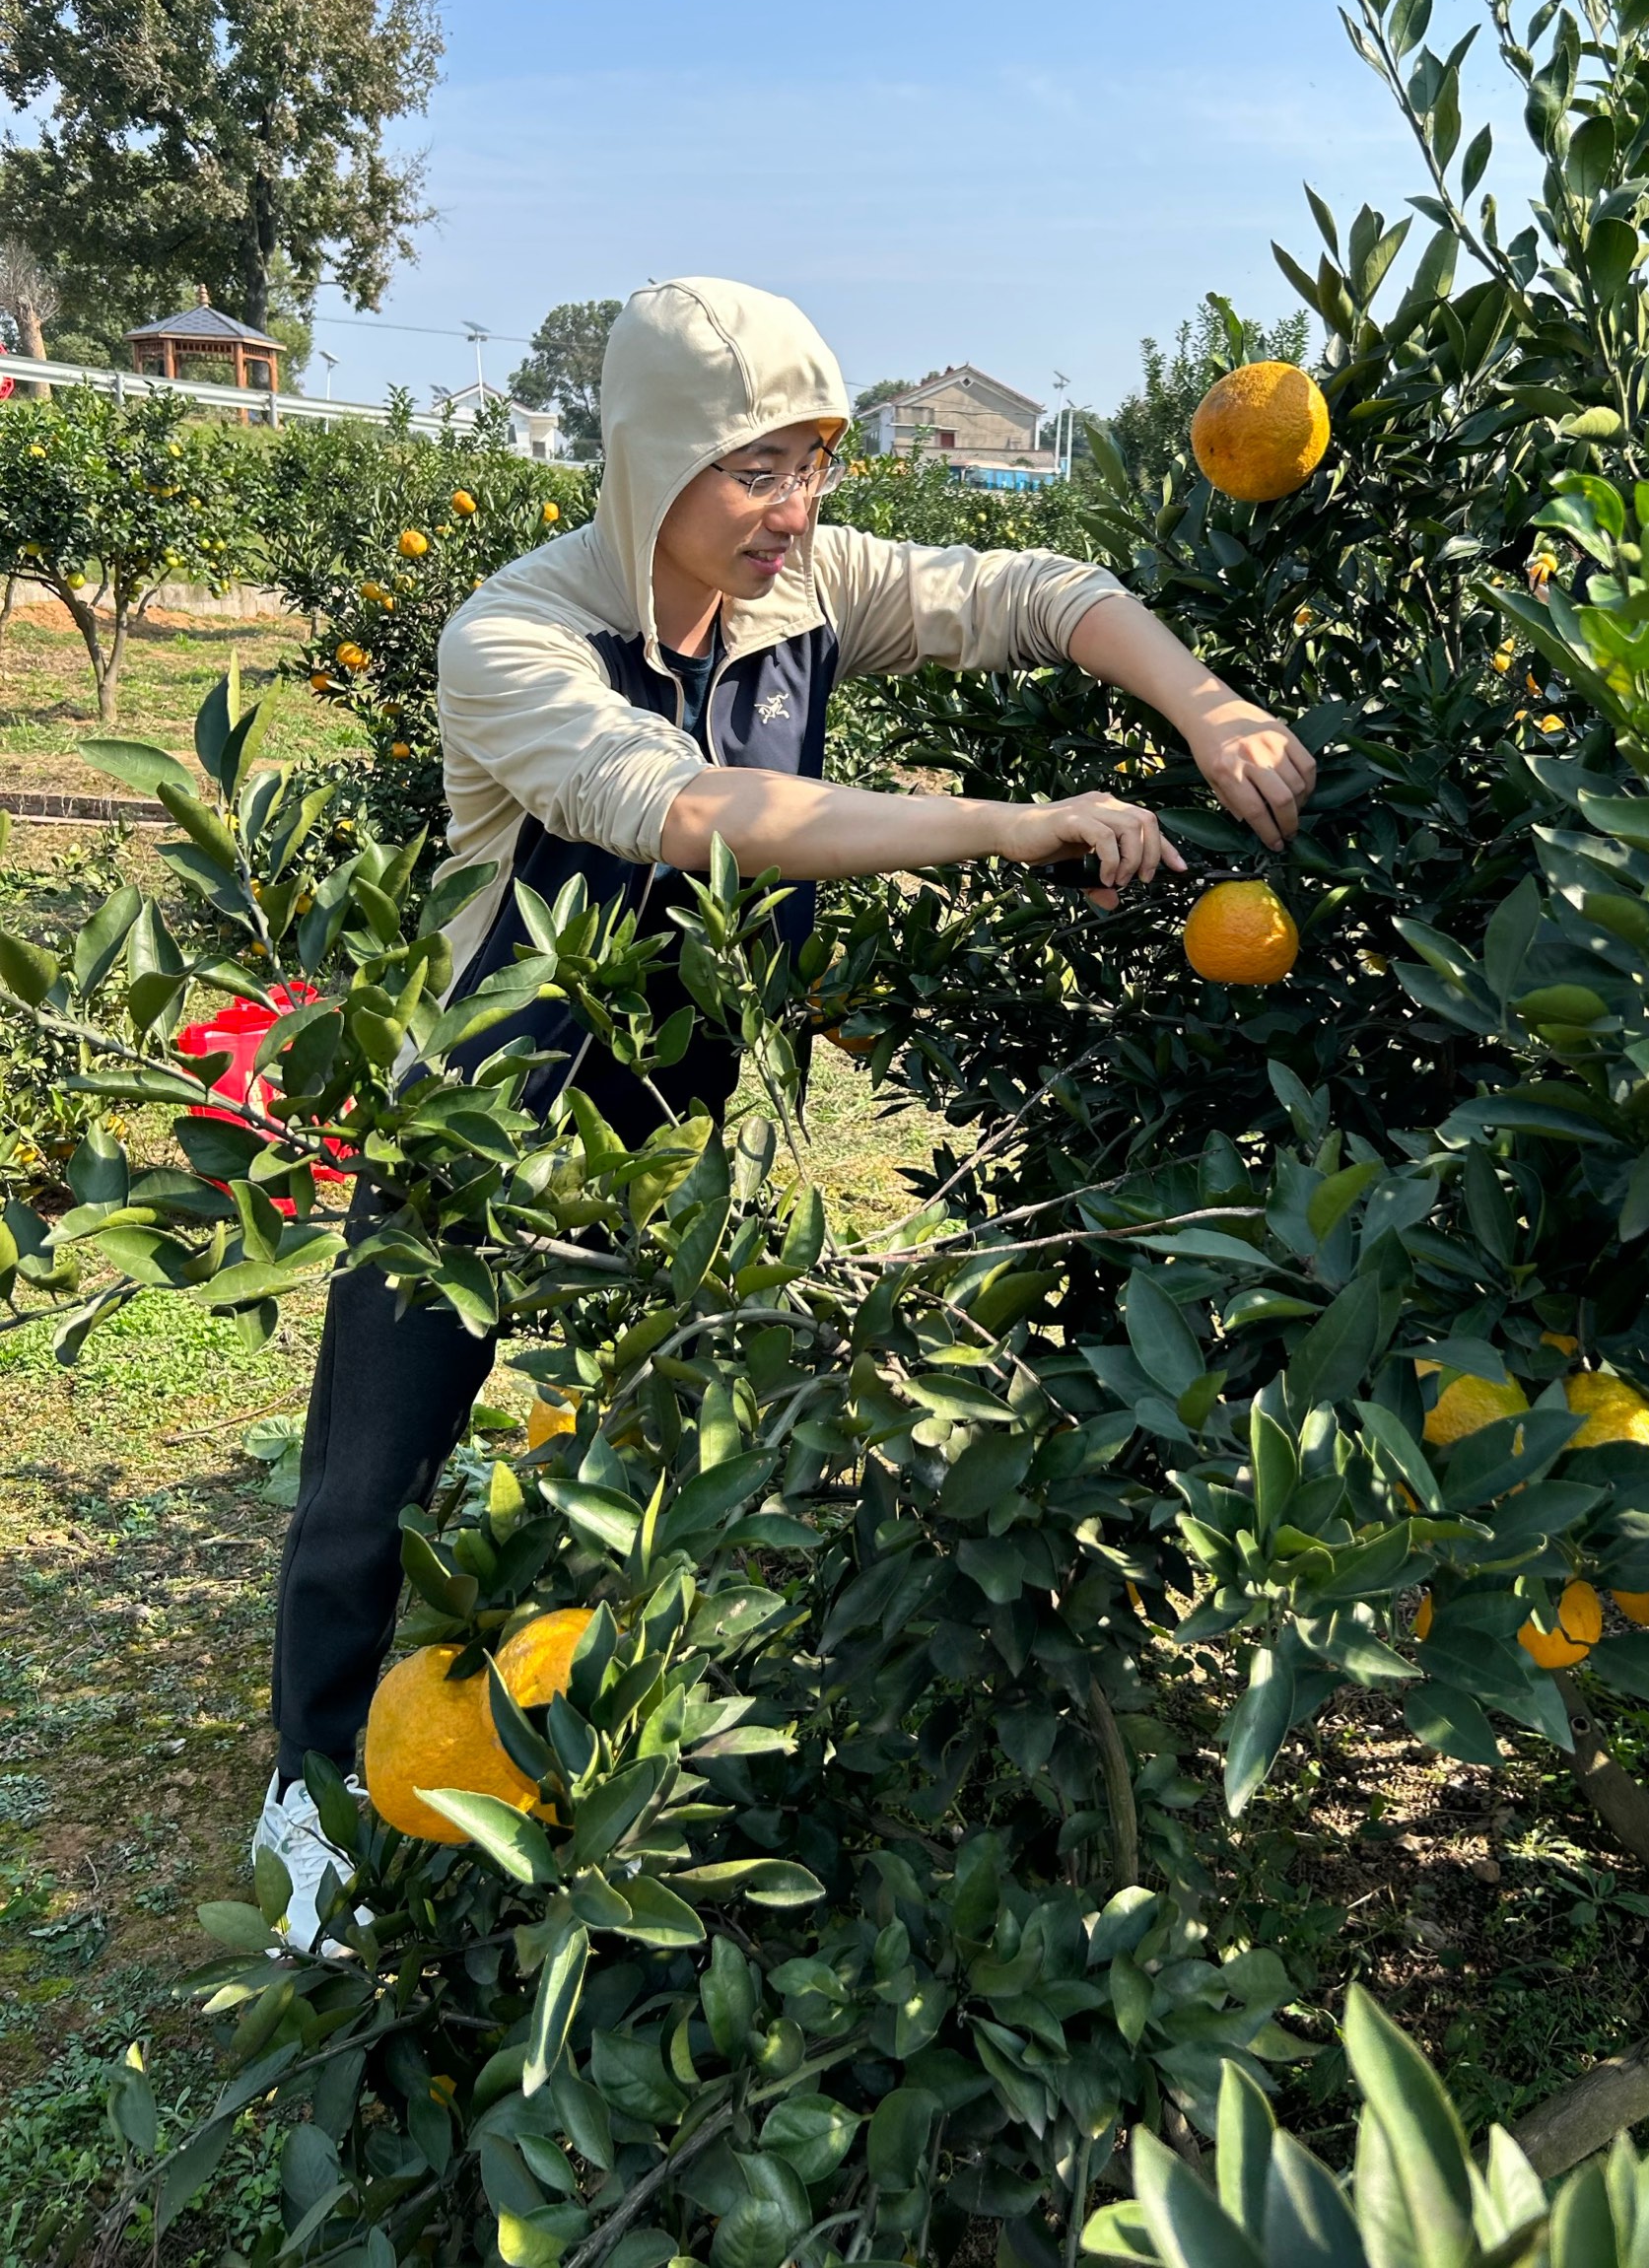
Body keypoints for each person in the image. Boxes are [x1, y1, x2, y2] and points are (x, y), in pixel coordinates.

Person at [254, 276, 1316, 1946]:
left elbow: (1037, 589)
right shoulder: (512, 636)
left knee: (667, 1453)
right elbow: (686, 809)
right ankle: (311, 1796)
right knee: (369, 1478)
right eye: (757, 469)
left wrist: (1203, 703)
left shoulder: (805, 587)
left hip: (675, 1127)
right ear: (652, 456)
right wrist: (1017, 821)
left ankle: (597, 1769)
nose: (796, 509)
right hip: (484, 1107)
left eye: (815, 463)